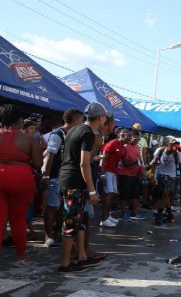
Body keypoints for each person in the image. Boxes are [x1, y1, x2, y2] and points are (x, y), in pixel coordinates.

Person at [58, 102, 109, 272]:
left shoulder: (75, 129)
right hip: (73, 182)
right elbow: (83, 164)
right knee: (71, 223)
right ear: (100, 118)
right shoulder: (87, 133)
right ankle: (65, 264)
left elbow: (81, 158)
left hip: (67, 179)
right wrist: (92, 190)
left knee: (79, 221)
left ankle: (81, 256)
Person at [0, 104, 42, 261]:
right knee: (18, 218)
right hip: (21, 177)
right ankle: (21, 254)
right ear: (19, 120)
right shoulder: (29, 140)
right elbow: (38, 164)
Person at [42, 108, 84, 247]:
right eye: (81, 120)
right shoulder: (58, 134)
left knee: (62, 208)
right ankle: (48, 236)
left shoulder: (72, 134)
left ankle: (58, 234)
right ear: (76, 120)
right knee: (52, 207)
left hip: (65, 177)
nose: (82, 123)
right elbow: (50, 155)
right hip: (55, 176)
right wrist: (46, 176)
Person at [150, 137, 181, 226]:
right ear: (167, 145)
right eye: (172, 145)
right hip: (161, 175)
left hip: (171, 176)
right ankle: (170, 214)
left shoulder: (177, 154)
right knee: (163, 196)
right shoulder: (160, 151)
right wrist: (152, 176)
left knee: (165, 194)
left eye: (176, 145)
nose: (174, 147)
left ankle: (159, 216)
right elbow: (154, 163)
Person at [99, 129, 127, 227]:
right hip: (107, 171)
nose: (128, 137)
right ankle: (103, 219)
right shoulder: (112, 143)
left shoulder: (123, 148)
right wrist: (102, 174)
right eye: (126, 135)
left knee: (114, 194)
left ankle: (108, 216)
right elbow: (103, 158)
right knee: (109, 194)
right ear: (119, 134)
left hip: (114, 172)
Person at [118, 130, 144, 221]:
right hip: (125, 174)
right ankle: (123, 214)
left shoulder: (137, 147)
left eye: (138, 139)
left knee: (135, 195)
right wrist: (135, 162)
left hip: (135, 175)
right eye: (136, 139)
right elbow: (125, 163)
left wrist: (142, 171)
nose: (137, 141)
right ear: (131, 137)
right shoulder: (125, 147)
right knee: (124, 195)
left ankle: (134, 213)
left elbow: (139, 161)